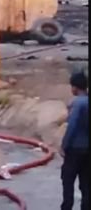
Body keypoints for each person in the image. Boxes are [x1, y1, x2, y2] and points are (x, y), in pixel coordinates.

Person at [60, 71, 88, 210]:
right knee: (86, 185)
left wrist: (64, 146)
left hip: (75, 149)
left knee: (68, 182)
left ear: (75, 87)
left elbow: (72, 126)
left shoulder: (77, 104)